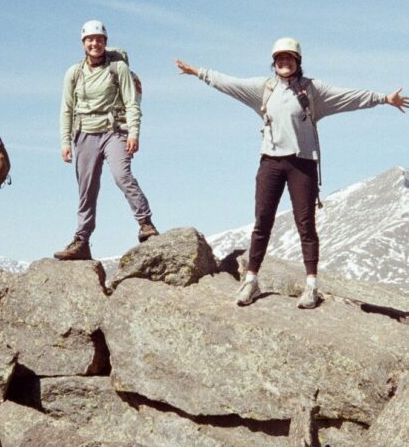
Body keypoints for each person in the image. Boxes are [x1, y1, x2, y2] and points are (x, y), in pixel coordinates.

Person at [175, 38, 408, 308]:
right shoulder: (264, 89)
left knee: (305, 225)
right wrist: (198, 72)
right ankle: (251, 280)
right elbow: (229, 83)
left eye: (289, 58)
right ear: (274, 63)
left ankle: (311, 286)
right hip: (271, 163)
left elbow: (349, 97)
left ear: (298, 61)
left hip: (302, 164)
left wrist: (383, 99)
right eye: (279, 58)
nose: (284, 62)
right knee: (262, 222)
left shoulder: (313, 90)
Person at [55, 20, 158, 261]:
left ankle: (145, 223)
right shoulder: (74, 73)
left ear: (105, 42)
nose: (94, 44)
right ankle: (82, 240)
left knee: (122, 176)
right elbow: (66, 109)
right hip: (85, 133)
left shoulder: (118, 68)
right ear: (83, 43)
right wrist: (65, 141)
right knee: (86, 189)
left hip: (114, 131)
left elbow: (132, 101)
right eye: (90, 40)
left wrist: (134, 132)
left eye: (99, 39)